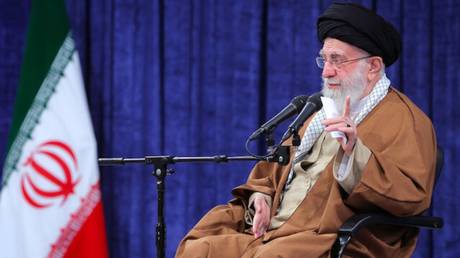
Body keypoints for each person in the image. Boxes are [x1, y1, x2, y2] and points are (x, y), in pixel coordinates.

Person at [175, 3, 436, 258]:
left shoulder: (406, 120)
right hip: (272, 229)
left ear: (373, 67)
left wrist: (354, 155)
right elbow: (271, 170)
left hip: (325, 236)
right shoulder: (319, 111)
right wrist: (261, 197)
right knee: (201, 244)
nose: (327, 71)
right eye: (324, 59)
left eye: (337, 60)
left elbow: (411, 197)